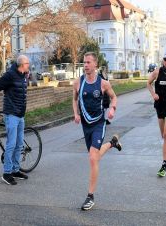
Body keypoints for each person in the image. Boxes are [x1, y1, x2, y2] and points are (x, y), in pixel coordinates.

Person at [72, 52, 122, 211]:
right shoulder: (77, 83)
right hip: (85, 126)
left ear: (95, 65)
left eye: (88, 62)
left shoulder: (103, 83)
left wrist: (112, 109)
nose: (85, 65)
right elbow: (74, 99)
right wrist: (76, 113)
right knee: (95, 155)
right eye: (84, 62)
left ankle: (90, 196)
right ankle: (112, 143)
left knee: (93, 158)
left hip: (99, 124)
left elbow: (114, 97)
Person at [0, 55, 30, 185]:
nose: (29, 66)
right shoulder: (9, 75)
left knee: (19, 144)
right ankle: (7, 173)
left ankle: (15, 170)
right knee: (11, 144)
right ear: (22, 64)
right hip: (11, 115)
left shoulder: (23, 75)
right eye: (27, 63)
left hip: (20, 115)